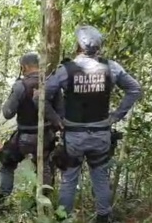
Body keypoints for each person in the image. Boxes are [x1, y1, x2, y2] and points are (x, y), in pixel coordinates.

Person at [40, 25, 142, 222]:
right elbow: (134, 89)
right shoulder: (111, 67)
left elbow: (41, 98)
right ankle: (104, 217)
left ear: (78, 46)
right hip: (101, 135)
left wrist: (56, 120)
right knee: (100, 177)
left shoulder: (65, 70)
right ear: (99, 47)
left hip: (74, 137)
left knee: (69, 180)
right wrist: (115, 116)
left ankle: (63, 218)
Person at [0, 52, 63, 211]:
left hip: (24, 137)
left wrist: (13, 92)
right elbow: (60, 114)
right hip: (46, 137)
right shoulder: (51, 83)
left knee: (7, 163)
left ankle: (2, 203)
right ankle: (42, 204)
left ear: (23, 67)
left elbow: (7, 113)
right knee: (45, 167)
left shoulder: (20, 85)